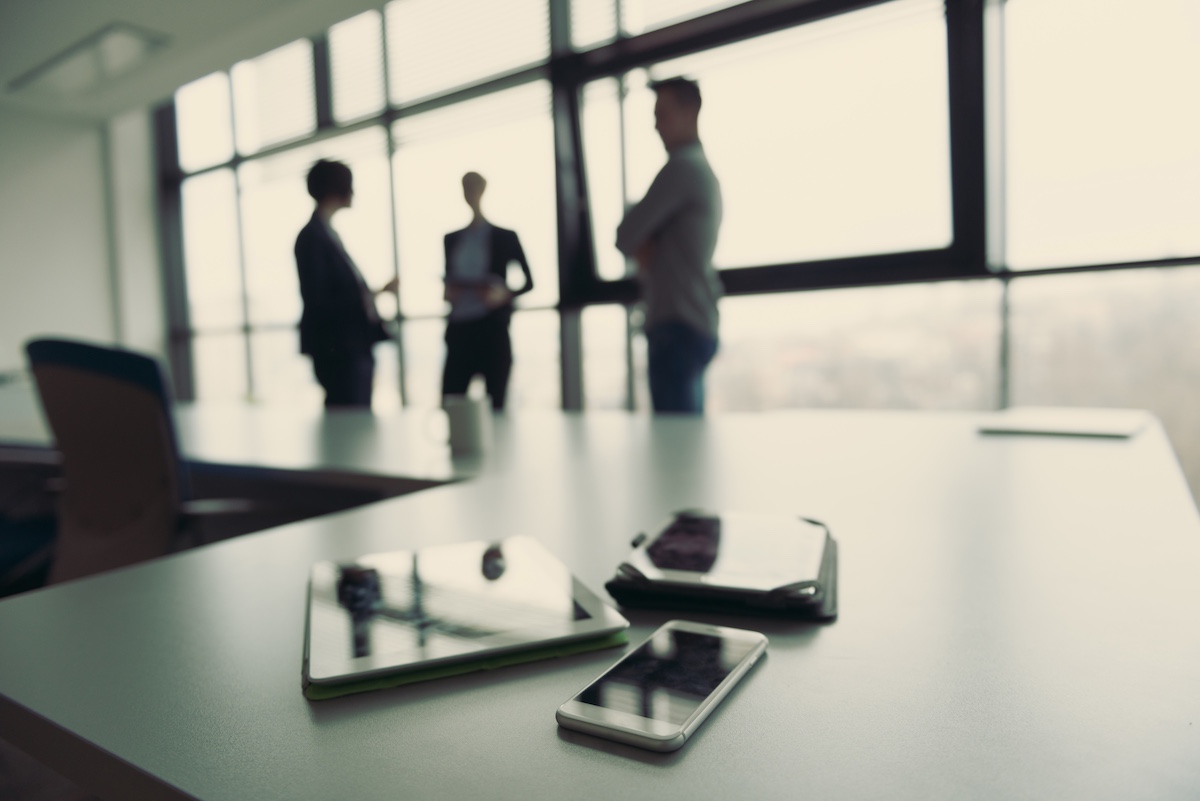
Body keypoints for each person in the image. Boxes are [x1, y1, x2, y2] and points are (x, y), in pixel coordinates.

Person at [616, 77, 723, 414]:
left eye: (663, 114)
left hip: (677, 323)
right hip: (691, 320)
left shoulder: (681, 169)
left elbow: (625, 236)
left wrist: (649, 237)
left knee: (675, 452)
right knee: (683, 446)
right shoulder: (698, 169)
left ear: (691, 111)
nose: (656, 125)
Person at [294, 159, 397, 409]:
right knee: (350, 419)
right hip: (340, 349)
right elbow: (318, 299)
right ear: (337, 188)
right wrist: (369, 296)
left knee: (354, 419)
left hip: (347, 346)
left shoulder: (325, 234)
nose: (354, 192)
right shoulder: (313, 237)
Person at [441, 172, 533, 411]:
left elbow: (529, 282)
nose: (469, 193)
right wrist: (449, 292)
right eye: (465, 188)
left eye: (473, 187)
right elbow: (449, 280)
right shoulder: (451, 239)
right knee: (452, 402)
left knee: (496, 405)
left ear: (483, 190)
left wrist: (502, 295)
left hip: (492, 330)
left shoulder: (505, 236)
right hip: (459, 330)